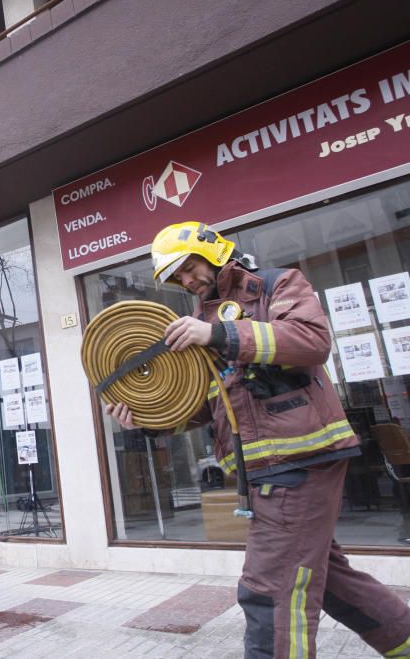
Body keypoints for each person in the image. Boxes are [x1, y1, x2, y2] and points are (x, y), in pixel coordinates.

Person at [105, 221, 410, 657]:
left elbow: (312, 340)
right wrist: (149, 421)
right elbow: (209, 405)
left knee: (271, 590)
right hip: (266, 469)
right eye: (177, 277)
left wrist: (223, 334)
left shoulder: (274, 285)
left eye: (188, 267)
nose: (187, 281)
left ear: (212, 251)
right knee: (332, 581)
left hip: (300, 458)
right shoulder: (199, 322)